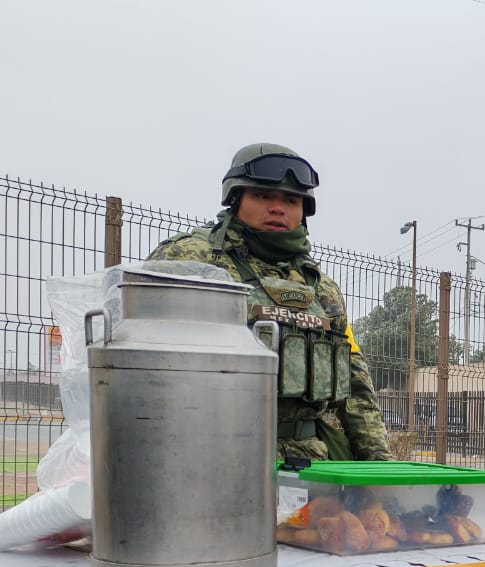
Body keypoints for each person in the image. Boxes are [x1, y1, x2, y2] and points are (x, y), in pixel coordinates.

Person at [147, 143, 391, 463]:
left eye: (291, 200)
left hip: (308, 462)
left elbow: (355, 388)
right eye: (262, 196)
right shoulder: (190, 257)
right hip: (211, 455)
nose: (278, 208)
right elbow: (141, 360)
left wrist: (381, 473)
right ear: (237, 198)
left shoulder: (320, 286)